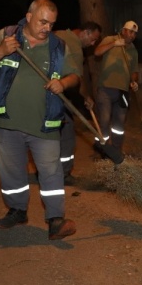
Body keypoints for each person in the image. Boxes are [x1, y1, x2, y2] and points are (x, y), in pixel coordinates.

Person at [0, 0, 80, 240]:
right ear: (29, 16)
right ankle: (17, 211)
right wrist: (1, 50)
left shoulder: (58, 46)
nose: (47, 28)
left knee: (51, 172)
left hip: (45, 124)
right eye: (43, 22)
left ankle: (56, 220)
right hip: (8, 121)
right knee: (11, 172)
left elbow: (75, 76)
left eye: (51, 24)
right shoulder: (7, 35)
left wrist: (63, 83)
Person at [55, 21, 102, 185]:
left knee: (47, 136)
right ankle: (64, 174)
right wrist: (86, 97)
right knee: (67, 136)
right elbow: (76, 78)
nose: (93, 43)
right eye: (93, 39)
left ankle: (46, 171)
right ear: (86, 32)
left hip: (44, 93)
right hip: (59, 95)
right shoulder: (74, 46)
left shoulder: (59, 33)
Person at [93, 20, 140, 164]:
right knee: (105, 121)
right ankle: (101, 151)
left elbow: (134, 71)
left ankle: (116, 152)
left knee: (119, 125)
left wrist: (134, 81)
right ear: (123, 30)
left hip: (123, 92)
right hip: (105, 89)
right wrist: (114, 44)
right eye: (130, 32)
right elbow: (97, 52)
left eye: (135, 34)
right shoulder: (110, 40)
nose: (132, 35)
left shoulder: (133, 50)